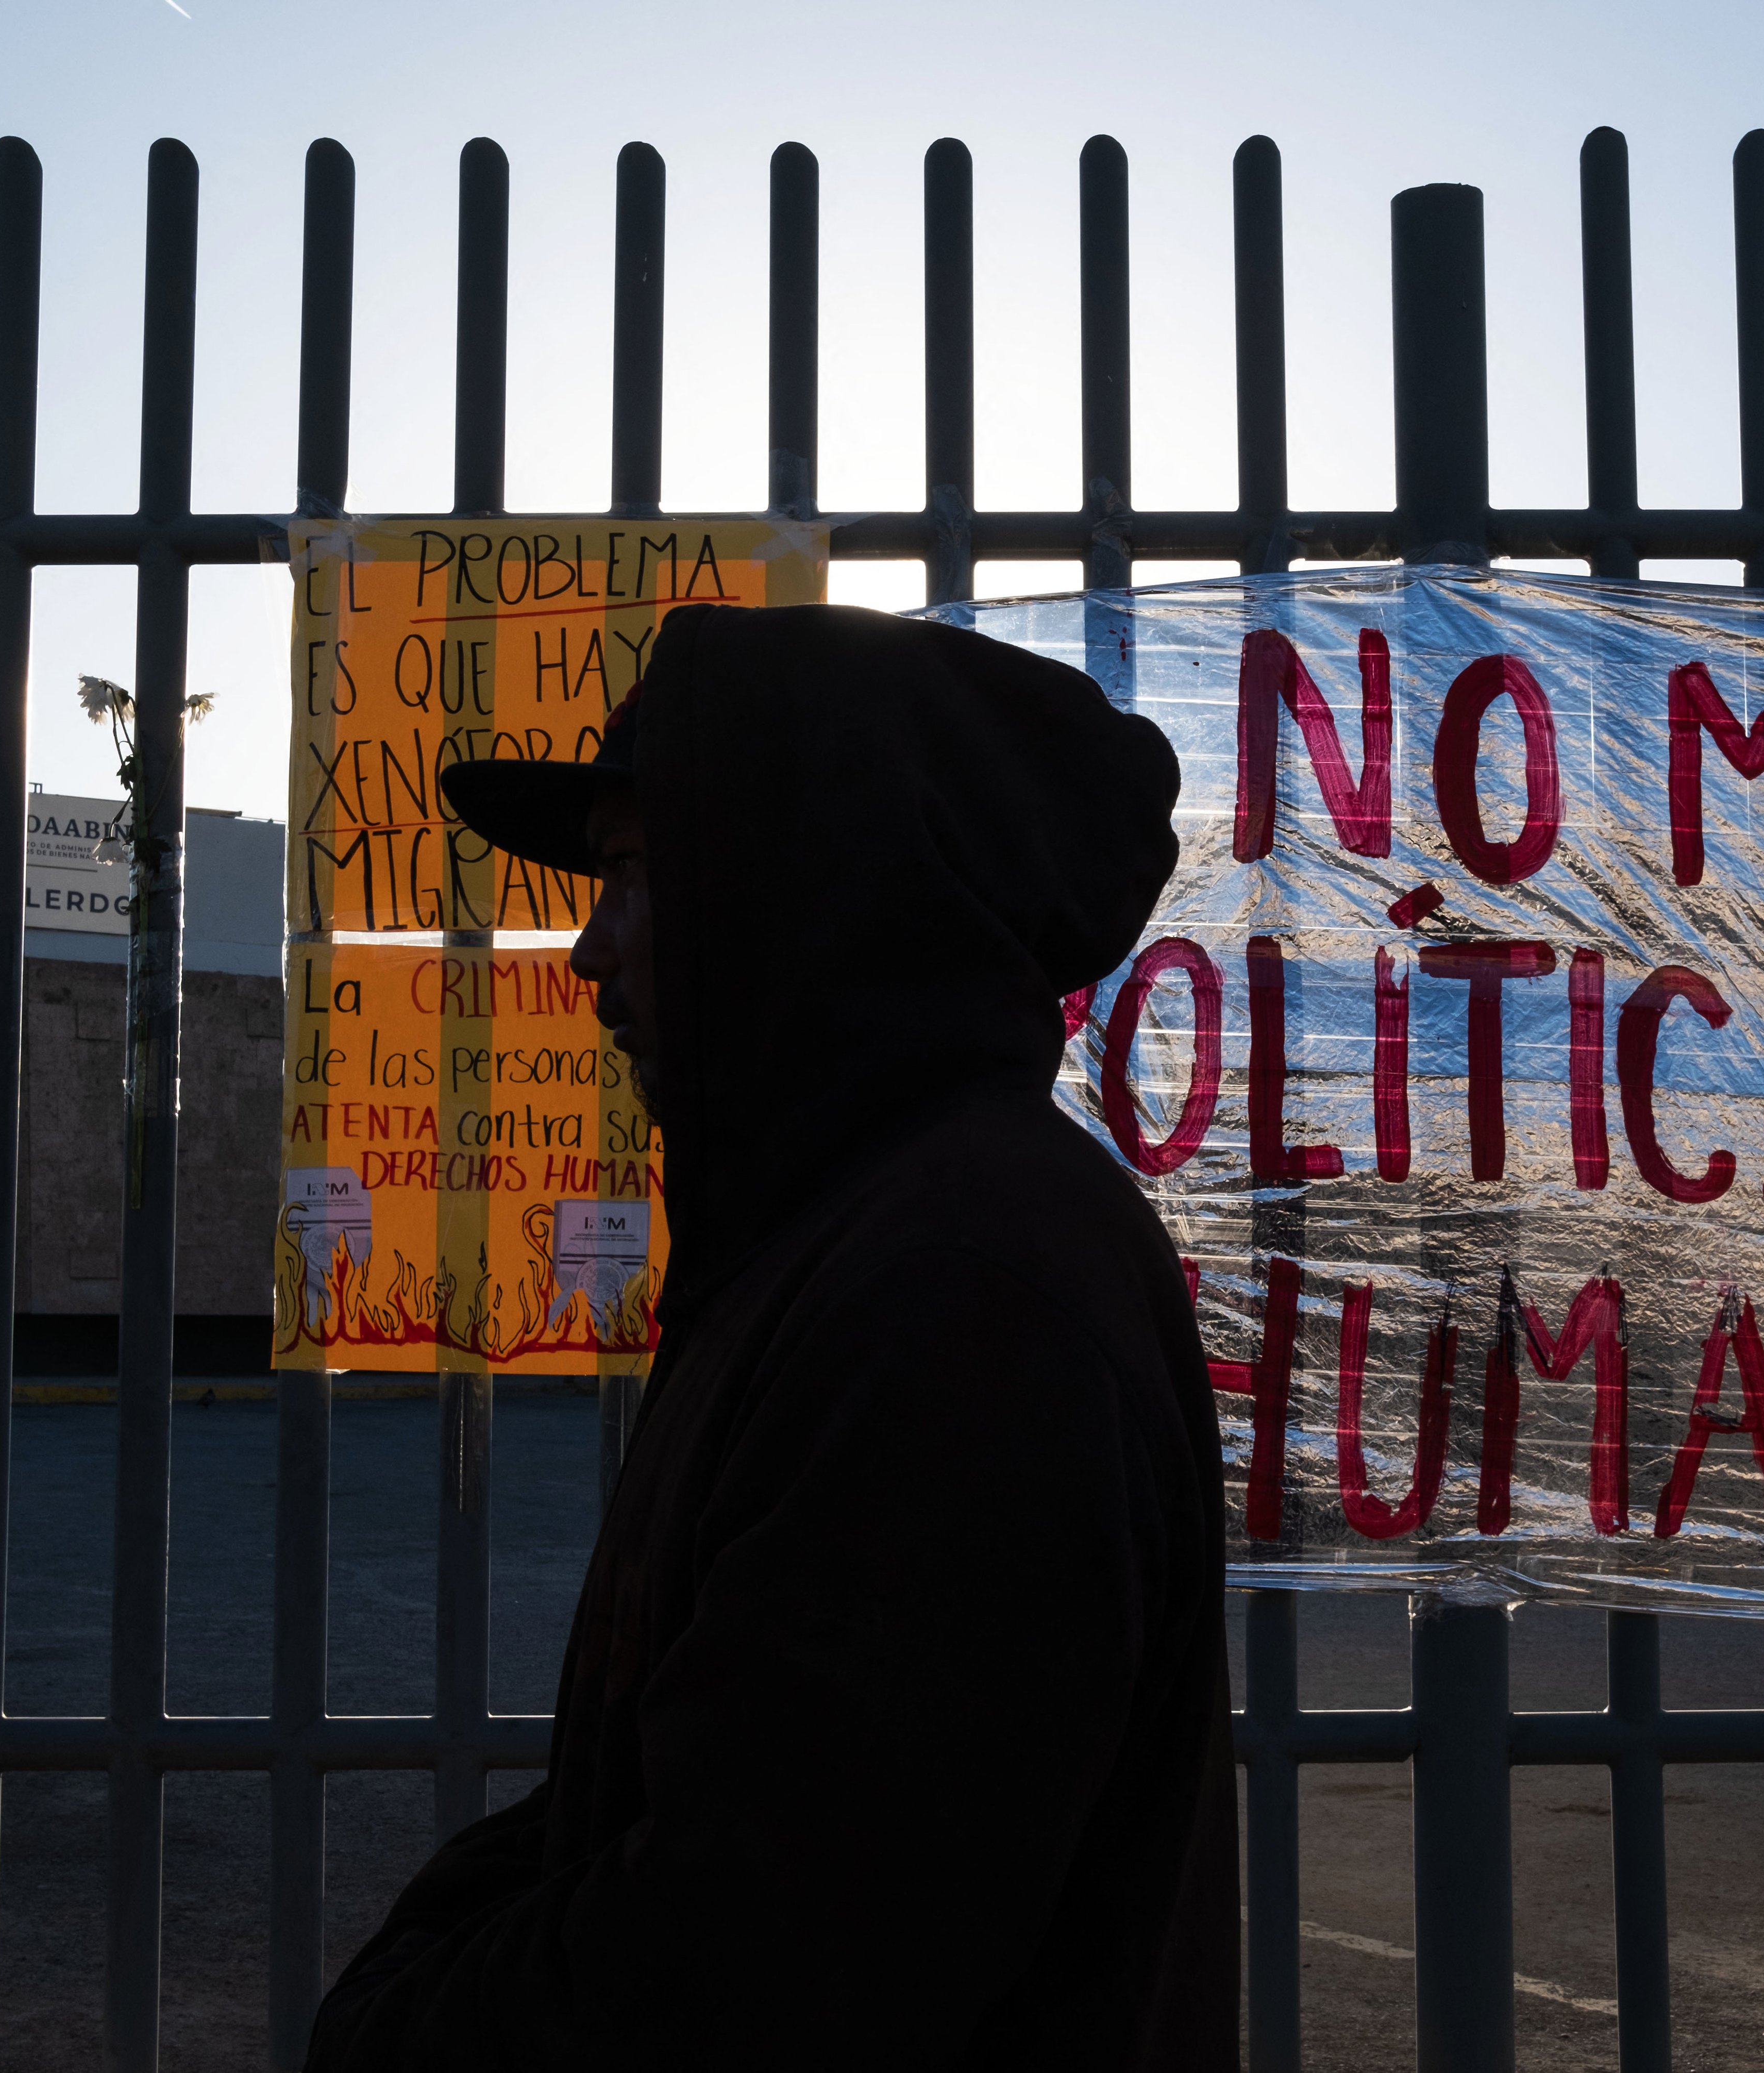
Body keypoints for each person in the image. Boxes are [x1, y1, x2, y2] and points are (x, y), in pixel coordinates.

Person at [305, 604, 1237, 2070]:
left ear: (804, 882)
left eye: (625, 876)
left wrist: (393, 2031)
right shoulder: (847, 1231)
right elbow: (656, 1805)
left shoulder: (961, 1291)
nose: (585, 951)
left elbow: (757, 1957)